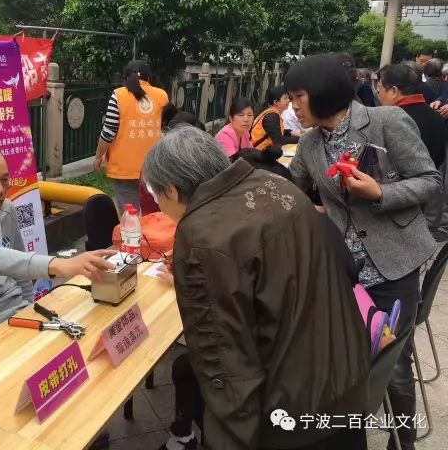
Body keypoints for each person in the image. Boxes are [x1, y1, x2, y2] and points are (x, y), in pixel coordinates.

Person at [146, 126, 370, 450]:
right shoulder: (275, 185)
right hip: (346, 378)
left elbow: (222, 358)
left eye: (156, 196)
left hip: (292, 414)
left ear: (171, 189)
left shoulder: (201, 235)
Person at [286, 54, 441, 450]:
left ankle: (403, 441)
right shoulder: (309, 143)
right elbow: (290, 188)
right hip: (344, 271)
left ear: (322, 91)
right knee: (342, 355)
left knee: (393, 362)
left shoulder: (386, 121)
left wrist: (379, 193)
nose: (293, 106)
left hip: (393, 264)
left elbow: (429, 181)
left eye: (298, 96)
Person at [0, 143, 116, 353]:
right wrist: (60, 265)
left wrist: (30, 307)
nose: (0, 189)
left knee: (84, 340)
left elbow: (19, 269)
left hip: (15, 309)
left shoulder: (6, 209)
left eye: (4, 179)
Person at [93, 60, 169, 212]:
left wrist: (98, 156)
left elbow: (108, 132)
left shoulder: (119, 95)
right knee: (153, 214)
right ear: (149, 78)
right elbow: (166, 129)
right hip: (154, 167)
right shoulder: (162, 96)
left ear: (126, 77)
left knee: (130, 216)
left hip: (124, 169)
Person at [377, 63, 447, 169]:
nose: (379, 95)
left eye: (380, 89)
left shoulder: (389, 120)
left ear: (394, 91)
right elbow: (440, 157)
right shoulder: (437, 116)